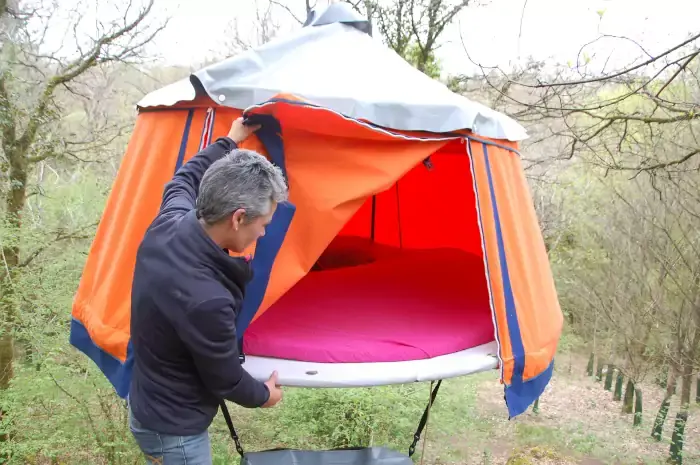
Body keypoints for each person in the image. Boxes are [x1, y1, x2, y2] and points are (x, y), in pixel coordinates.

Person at [127, 117, 287, 464]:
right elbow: (226, 378)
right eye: (263, 225)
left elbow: (184, 177)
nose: (262, 234)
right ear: (238, 218)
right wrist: (264, 395)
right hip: (174, 433)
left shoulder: (169, 220)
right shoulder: (207, 299)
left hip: (148, 402)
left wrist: (230, 140)